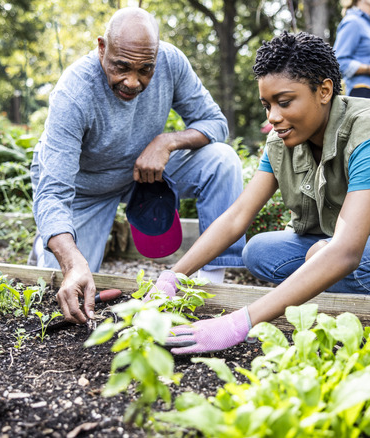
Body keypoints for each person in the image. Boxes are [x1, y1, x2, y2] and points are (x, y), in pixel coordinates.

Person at [155, 32, 370, 355]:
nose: (273, 117)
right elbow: (237, 217)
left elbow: (345, 253)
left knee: (329, 258)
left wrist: (241, 322)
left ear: (324, 90)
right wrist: (174, 275)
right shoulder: (283, 142)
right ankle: (350, 302)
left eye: (284, 102)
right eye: (267, 104)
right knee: (259, 252)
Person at [30, 7, 245, 324]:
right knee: (59, 290)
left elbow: (214, 123)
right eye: (122, 67)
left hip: (145, 174)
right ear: (102, 48)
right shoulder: (73, 93)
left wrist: (166, 142)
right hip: (85, 189)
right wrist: (71, 260)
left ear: (157, 56)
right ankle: (45, 252)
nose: (133, 81)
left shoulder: (170, 61)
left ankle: (213, 287)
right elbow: (51, 193)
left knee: (222, 160)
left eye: (146, 69)